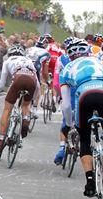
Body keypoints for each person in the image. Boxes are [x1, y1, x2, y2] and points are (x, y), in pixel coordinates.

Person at [59, 38, 103, 197]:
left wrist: (71, 124)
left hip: (84, 95)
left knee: (84, 138)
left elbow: (65, 105)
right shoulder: (99, 60)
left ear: (69, 56)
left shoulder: (66, 69)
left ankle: (90, 182)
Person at [0, 44, 39, 152]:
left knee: (7, 110)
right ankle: (25, 121)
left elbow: (2, 81)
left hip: (18, 78)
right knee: (26, 105)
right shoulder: (28, 60)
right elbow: (37, 84)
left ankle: (1, 140)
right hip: (31, 80)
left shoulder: (8, 60)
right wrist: (33, 98)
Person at [53, 37, 76, 165]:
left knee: (66, 120)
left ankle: (62, 149)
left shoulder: (61, 58)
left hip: (69, 89)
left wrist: (57, 95)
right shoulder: (91, 58)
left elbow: (56, 81)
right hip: (87, 89)